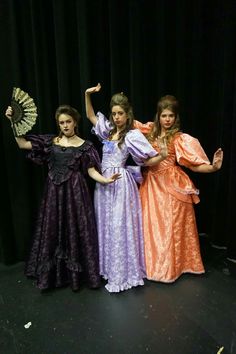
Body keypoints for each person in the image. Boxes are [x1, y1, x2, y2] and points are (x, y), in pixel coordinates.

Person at [5, 104, 120, 292]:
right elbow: (22, 144)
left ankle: (76, 277)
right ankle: (54, 275)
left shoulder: (85, 146)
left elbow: (91, 171)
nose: (65, 125)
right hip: (54, 195)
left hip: (76, 195)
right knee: (53, 228)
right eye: (61, 123)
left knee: (76, 229)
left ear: (75, 122)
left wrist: (106, 180)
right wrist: (13, 121)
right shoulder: (51, 142)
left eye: (68, 122)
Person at [85, 83, 167, 293]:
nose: (116, 117)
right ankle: (108, 269)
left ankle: (122, 272)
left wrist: (163, 155)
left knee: (119, 225)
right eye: (113, 113)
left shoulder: (132, 135)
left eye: (120, 113)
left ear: (127, 113)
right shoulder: (107, 131)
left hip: (120, 182)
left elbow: (148, 160)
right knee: (105, 223)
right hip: (103, 183)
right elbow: (92, 117)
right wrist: (87, 95)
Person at [134, 94, 223, 283]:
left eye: (171, 116)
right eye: (164, 115)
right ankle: (150, 265)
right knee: (150, 226)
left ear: (176, 117)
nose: (167, 120)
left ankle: (172, 267)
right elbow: (126, 123)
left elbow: (193, 165)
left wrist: (213, 167)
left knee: (169, 226)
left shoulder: (179, 138)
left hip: (171, 184)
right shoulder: (148, 130)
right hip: (151, 184)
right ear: (158, 115)